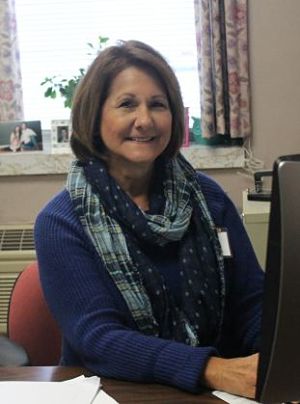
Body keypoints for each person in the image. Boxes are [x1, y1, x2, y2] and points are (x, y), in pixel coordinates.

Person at [35, 40, 264, 398]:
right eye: (127, 104)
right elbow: (100, 340)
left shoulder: (209, 198)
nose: (145, 120)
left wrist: (272, 362)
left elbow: (252, 300)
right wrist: (209, 369)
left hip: (223, 391)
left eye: (158, 104)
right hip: (116, 391)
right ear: (94, 118)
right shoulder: (61, 221)